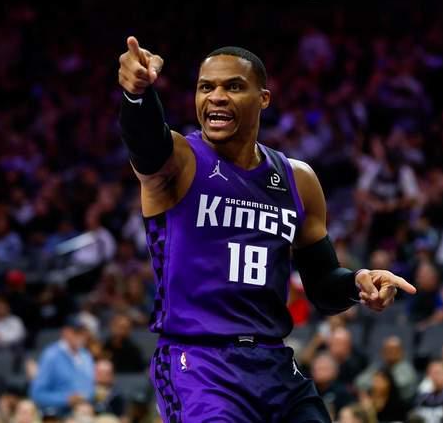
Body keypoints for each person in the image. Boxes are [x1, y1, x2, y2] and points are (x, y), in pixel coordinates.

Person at [117, 36, 416, 422]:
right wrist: (137, 95)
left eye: (233, 86)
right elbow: (145, 142)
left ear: (263, 99)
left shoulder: (298, 180)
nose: (216, 97)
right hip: (199, 363)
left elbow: (323, 285)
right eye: (206, 87)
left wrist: (357, 282)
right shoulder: (180, 160)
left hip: (274, 360)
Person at [30, 318, 94, 415]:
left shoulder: (86, 355)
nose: (81, 336)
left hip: (86, 412)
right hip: (60, 414)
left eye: (83, 332)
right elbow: (37, 394)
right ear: (65, 332)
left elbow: (90, 388)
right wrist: (66, 399)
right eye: (77, 332)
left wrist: (89, 397)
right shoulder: (51, 355)